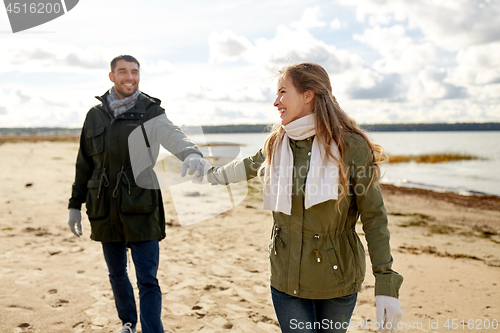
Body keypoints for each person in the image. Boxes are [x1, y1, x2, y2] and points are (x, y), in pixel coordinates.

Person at [197, 63, 403, 333]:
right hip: (285, 276)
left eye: (283, 92)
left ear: (308, 95)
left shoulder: (350, 146)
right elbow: (246, 166)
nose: (276, 102)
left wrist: (386, 282)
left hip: (337, 277)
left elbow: (374, 217)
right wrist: (209, 174)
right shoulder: (277, 143)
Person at [66, 55, 204, 333]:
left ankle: (153, 330)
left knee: (147, 280)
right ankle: (128, 323)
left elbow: (173, 134)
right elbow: (84, 164)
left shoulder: (150, 110)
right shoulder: (94, 115)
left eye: (135, 72)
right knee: (117, 274)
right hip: (103, 208)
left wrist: (191, 152)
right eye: (123, 72)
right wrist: (74, 205)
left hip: (141, 206)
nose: (130, 77)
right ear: (111, 76)